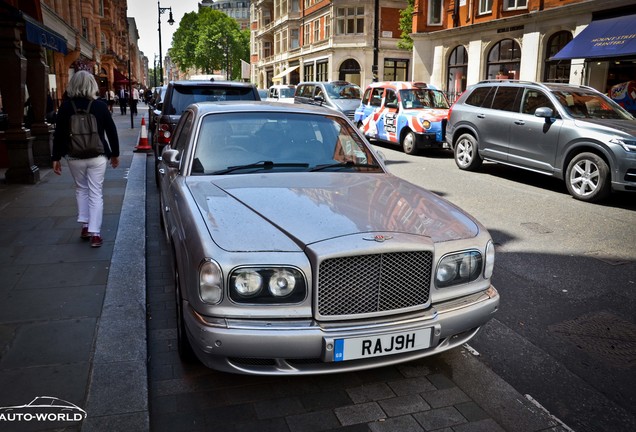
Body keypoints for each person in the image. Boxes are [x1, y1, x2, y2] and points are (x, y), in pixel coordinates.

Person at [52, 70, 120, 248]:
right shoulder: (100, 106)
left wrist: (56, 157)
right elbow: (111, 131)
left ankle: (85, 225)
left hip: (74, 156)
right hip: (97, 156)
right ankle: (95, 234)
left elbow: (59, 134)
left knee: (81, 189)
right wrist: (115, 154)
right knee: (96, 192)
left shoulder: (66, 107)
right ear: (92, 85)